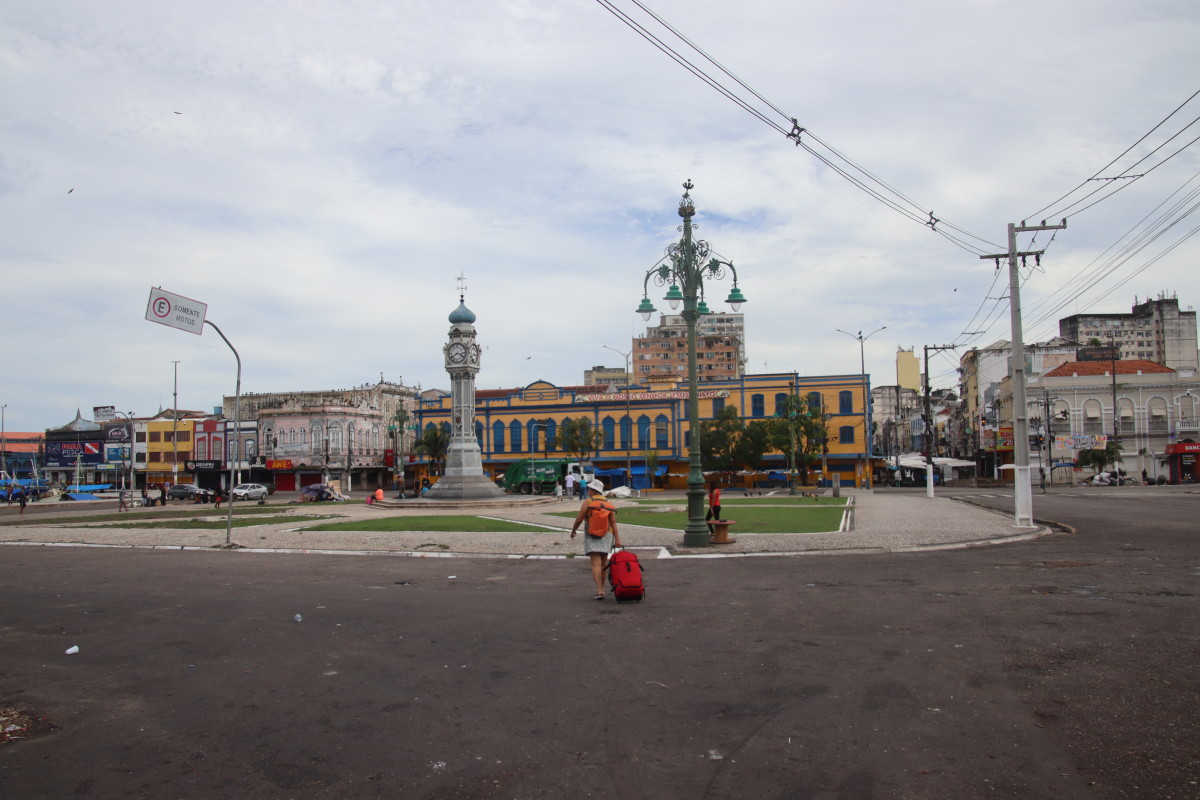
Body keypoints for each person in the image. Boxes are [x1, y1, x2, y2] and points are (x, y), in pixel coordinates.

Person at [570, 479, 621, 600]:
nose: (588, 491)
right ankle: (602, 588)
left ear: (593, 491)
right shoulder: (608, 502)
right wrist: (617, 539)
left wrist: (573, 530)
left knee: (595, 564)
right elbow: (613, 522)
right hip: (607, 535)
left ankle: (600, 590)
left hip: (592, 534)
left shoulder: (588, 502)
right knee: (604, 563)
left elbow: (579, 518)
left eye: (589, 489)